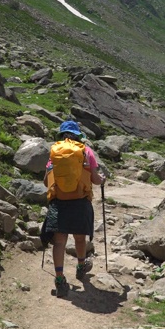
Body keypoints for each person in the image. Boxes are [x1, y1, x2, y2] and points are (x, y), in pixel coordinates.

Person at [43, 120, 105, 298]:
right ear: (78, 134)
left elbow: (46, 181)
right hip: (80, 201)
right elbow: (94, 179)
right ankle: (80, 266)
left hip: (59, 202)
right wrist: (102, 179)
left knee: (59, 242)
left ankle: (60, 279)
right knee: (80, 238)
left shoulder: (55, 152)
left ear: (62, 135)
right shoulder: (86, 151)